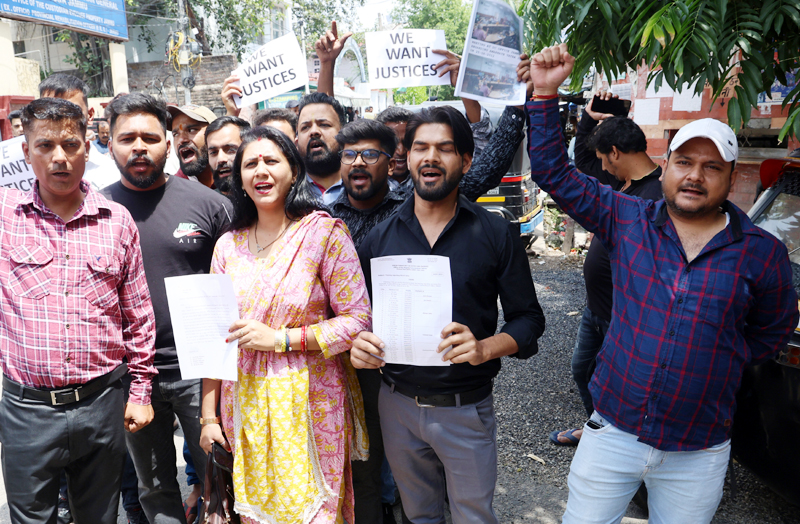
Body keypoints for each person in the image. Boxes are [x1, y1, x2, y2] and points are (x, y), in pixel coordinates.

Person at [524, 43, 799, 524]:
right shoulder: (625, 216)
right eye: (684, 162)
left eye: (711, 167)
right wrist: (544, 94)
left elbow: (769, 333)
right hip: (612, 433)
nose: (695, 175)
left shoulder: (762, 252)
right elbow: (553, 172)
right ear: (665, 165)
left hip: (700, 448)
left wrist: (718, 357)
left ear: (731, 177)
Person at [350, 106, 545, 524]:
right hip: (397, 405)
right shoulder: (379, 239)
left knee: (473, 515)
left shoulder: (495, 232)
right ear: (408, 157)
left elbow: (528, 320)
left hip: (464, 408)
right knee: (418, 515)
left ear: (466, 161)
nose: (430, 157)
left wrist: (484, 348)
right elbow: (357, 316)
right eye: (420, 147)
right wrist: (358, 341)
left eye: (444, 148)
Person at [198, 125, 371, 523]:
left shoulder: (323, 233)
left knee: (314, 513)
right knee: (257, 514)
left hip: (311, 403)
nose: (261, 171)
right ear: (239, 177)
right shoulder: (228, 245)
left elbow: (357, 319)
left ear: (294, 172)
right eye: (251, 163)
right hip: (245, 404)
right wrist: (209, 418)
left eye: (271, 161)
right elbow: (213, 339)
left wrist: (280, 339)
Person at [0, 97, 156, 524]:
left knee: (100, 516)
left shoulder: (117, 221)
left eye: (70, 145)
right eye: (45, 145)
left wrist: (140, 393)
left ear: (88, 146)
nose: (59, 158)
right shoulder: (4, 216)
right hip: (27, 411)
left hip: (101, 404)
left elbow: (138, 316)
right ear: (25, 150)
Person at [102, 92, 232, 524]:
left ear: (169, 142)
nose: (139, 146)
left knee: (224, 483)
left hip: (204, 374)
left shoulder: (210, 206)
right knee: (154, 489)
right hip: (132, 378)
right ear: (109, 144)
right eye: (127, 138)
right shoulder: (96, 212)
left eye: (150, 137)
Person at [551, 95, 663, 446]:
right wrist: (587, 119)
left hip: (625, 316)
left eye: (605, 158)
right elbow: (581, 160)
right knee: (583, 371)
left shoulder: (658, 195)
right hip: (596, 308)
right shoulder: (620, 182)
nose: (602, 166)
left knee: (623, 385)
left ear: (615, 152)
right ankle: (598, 428)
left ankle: (620, 442)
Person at [39, 73, 121, 190]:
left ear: (90, 116)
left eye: (72, 111)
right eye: (50, 110)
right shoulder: (23, 172)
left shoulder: (111, 173)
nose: (62, 119)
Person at [168, 104, 217, 188]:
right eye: (175, 134)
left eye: (192, 130)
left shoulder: (236, 181)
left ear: (215, 134)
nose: (181, 140)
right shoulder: (173, 191)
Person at [205, 115, 251, 196]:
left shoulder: (266, 202)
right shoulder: (205, 206)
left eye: (230, 150)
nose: (220, 159)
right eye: (213, 152)